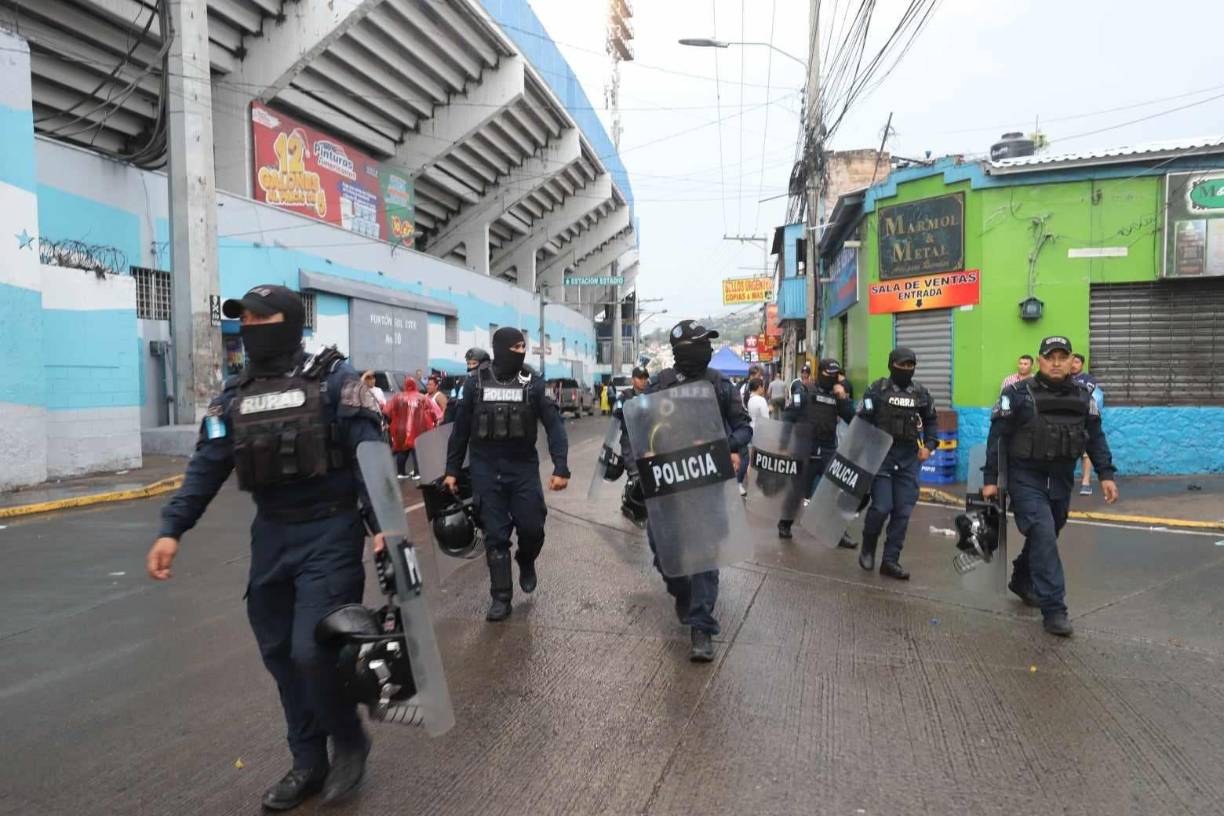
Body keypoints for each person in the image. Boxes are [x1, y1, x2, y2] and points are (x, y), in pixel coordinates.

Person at [145, 285, 384, 810]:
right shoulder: (232, 396)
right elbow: (207, 464)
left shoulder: (339, 384)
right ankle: (307, 761)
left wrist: (384, 526)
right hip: (272, 535)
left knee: (312, 650)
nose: (250, 325)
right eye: (243, 318)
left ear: (290, 321)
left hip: (330, 532)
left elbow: (371, 461)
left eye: (261, 316)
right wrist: (172, 528)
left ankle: (348, 741)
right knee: (280, 654)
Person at [985, 336, 1118, 637]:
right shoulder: (1016, 394)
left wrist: (1106, 474)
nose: (1056, 363)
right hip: (1025, 476)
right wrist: (990, 480)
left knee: (1050, 530)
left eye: (1062, 356)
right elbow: (997, 438)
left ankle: (1021, 577)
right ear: (1040, 360)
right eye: (1050, 357)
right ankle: (1055, 609)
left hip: (1060, 478)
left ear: (1072, 360)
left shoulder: (1085, 397)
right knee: (1043, 531)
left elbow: (1095, 437)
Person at [641, 320, 752, 662]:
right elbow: (635, 425)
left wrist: (729, 446)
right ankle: (681, 592)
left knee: (705, 554)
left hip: (708, 481)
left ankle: (702, 627)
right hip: (670, 484)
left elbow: (744, 426)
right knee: (664, 551)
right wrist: (640, 461)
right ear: (684, 348)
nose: (708, 349)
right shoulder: (660, 385)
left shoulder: (720, 384)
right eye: (702, 343)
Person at [445, 327, 570, 622]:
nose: (520, 351)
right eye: (515, 346)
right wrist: (451, 470)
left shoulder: (534, 383)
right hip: (486, 470)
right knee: (495, 536)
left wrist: (560, 466)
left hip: (523, 469)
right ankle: (500, 597)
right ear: (500, 348)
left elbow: (554, 426)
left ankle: (526, 559)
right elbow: (460, 429)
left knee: (532, 528)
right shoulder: (475, 383)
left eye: (522, 346)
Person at [856, 347, 939, 580]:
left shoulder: (920, 393)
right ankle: (868, 547)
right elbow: (861, 421)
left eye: (910, 366)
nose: (905, 370)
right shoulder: (877, 390)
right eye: (901, 365)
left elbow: (931, 421)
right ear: (891, 365)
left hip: (908, 458)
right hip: (881, 456)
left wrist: (929, 446)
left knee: (902, 512)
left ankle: (890, 560)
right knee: (882, 506)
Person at [778, 358, 855, 541]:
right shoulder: (804, 391)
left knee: (835, 490)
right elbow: (788, 417)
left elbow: (852, 419)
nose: (832, 378)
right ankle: (785, 523)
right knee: (797, 490)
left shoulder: (837, 396)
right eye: (829, 375)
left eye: (835, 375)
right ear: (819, 372)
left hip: (828, 448)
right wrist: (783, 445)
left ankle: (838, 531)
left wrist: (843, 399)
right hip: (805, 448)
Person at [384, 376, 437, 478]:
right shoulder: (422, 397)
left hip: (401, 429)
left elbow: (387, 410)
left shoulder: (397, 397)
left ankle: (400, 472)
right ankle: (417, 473)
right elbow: (434, 411)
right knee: (416, 450)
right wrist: (434, 422)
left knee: (402, 450)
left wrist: (388, 422)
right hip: (418, 428)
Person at [1070, 353, 1101, 496]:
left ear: (1082, 364)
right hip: (1067, 422)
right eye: (1071, 361)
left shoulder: (1088, 380)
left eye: (1076, 362)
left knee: (1086, 453)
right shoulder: (1063, 378)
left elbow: (1085, 395)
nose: (1073, 364)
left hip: (1084, 421)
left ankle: (1086, 482)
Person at [738, 377, 770, 496]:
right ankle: (757, 487)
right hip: (760, 432)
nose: (764, 388)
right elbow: (766, 418)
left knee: (751, 460)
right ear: (759, 387)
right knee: (759, 461)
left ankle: (750, 487)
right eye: (763, 386)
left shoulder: (749, 399)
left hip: (750, 431)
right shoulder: (761, 400)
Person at [443, 348, 489, 424]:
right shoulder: (462, 381)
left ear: (482, 364)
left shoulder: (489, 381)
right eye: (469, 364)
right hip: (464, 422)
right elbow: (452, 404)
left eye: (474, 363)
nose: (471, 366)